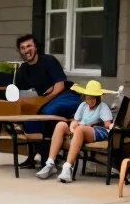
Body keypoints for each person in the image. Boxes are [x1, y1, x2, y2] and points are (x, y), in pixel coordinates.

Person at [13, 34, 80, 168]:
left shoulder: (48, 61)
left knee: (47, 111)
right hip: (45, 102)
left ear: (36, 47)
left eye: (29, 46)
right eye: (22, 48)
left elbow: (59, 86)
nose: (26, 50)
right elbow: (19, 93)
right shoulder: (22, 71)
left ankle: (48, 157)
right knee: (28, 119)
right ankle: (39, 155)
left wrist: (43, 100)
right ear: (20, 51)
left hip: (67, 96)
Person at [37, 80, 113, 182]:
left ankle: (67, 167)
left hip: (96, 131)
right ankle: (50, 164)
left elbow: (107, 124)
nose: (92, 100)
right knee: (61, 125)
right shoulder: (82, 106)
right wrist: (72, 129)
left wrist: (85, 126)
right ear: (84, 96)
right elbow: (75, 121)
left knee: (80, 129)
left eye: (94, 97)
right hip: (79, 130)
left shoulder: (102, 107)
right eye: (89, 97)